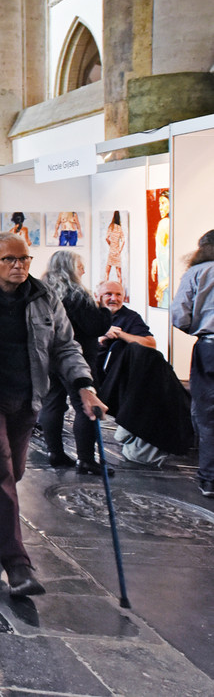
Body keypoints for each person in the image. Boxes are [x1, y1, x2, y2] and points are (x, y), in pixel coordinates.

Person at [0, 232, 105, 597]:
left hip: (28, 397)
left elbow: (65, 345)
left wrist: (84, 385)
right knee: (1, 471)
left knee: (15, 471)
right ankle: (17, 565)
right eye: (10, 260)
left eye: (24, 259)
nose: (19, 266)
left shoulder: (45, 296)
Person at [37, 250, 112, 472]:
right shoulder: (77, 294)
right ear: (71, 268)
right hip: (77, 357)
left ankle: (54, 453)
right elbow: (96, 326)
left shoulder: (41, 291)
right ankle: (86, 459)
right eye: (80, 266)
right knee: (84, 405)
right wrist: (105, 310)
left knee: (52, 403)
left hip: (48, 355)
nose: (84, 271)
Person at [172, 229, 214, 498]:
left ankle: (209, 479)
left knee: (208, 415)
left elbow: (180, 315)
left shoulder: (198, 273)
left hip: (210, 349)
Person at [96, 280, 156, 372]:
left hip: (117, 372)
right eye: (108, 294)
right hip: (88, 368)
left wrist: (119, 334)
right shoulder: (88, 314)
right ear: (97, 297)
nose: (114, 298)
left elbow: (151, 345)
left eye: (118, 295)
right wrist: (100, 336)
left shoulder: (131, 317)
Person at [152, 190, 171, 308]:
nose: (160, 207)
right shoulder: (164, 223)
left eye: (163, 203)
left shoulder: (165, 223)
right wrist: (156, 260)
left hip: (166, 281)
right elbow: (164, 250)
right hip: (165, 280)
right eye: (159, 204)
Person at [102, 210, 126, 292]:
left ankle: (105, 289)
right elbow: (123, 240)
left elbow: (106, 238)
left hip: (111, 251)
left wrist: (110, 244)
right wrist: (120, 250)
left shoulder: (111, 226)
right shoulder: (119, 228)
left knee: (107, 272)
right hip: (117, 252)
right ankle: (120, 290)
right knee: (119, 274)